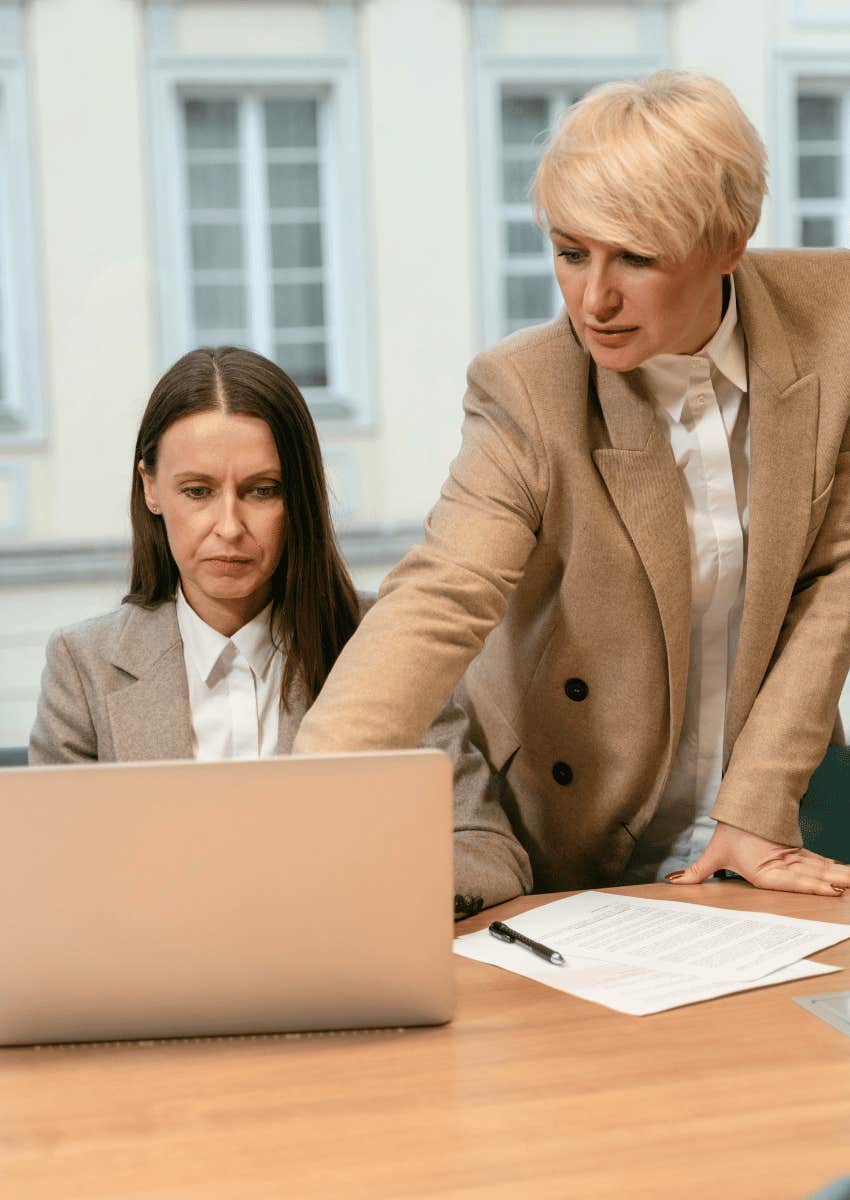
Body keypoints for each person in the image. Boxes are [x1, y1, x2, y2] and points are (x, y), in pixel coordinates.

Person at [293, 71, 850, 905]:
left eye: (637, 257)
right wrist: (295, 805)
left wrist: (760, 796)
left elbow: (836, 578)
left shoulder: (835, 322)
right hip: (574, 831)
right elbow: (441, 596)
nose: (594, 300)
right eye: (571, 252)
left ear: (731, 241)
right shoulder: (526, 388)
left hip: (782, 813)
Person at [28, 348, 528, 904]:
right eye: (197, 491)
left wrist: (353, 897)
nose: (229, 527)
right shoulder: (83, 665)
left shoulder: (389, 642)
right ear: (150, 489)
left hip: (344, 970)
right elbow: (51, 880)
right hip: (160, 982)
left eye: (262, 490)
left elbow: (487, 852)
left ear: (299, 497)